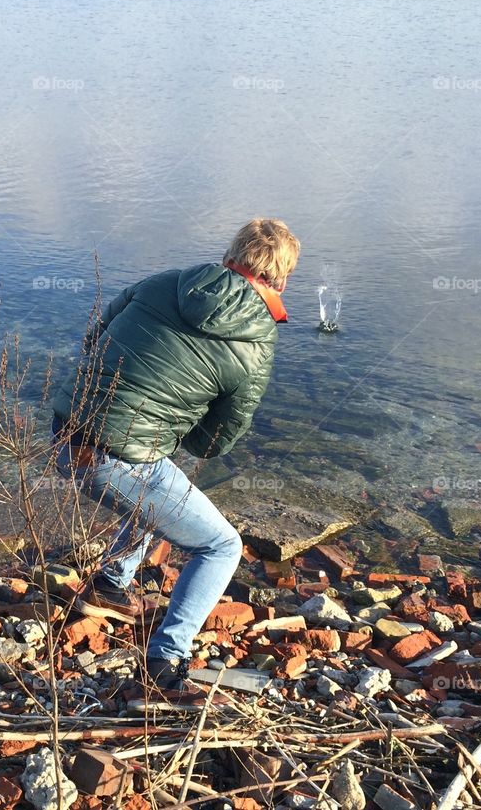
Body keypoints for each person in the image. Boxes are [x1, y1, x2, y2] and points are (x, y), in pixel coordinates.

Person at [51, 218, 299, 692]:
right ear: (282, 277)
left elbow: (96, 337)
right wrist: (178, 426)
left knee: (156, 484)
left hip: (65, 429)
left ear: (232, 254)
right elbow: (215, 440)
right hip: (113, 459)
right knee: (221, 546)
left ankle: (110, 583)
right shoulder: (259, 343)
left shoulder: (164, 282)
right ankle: (166, 660)